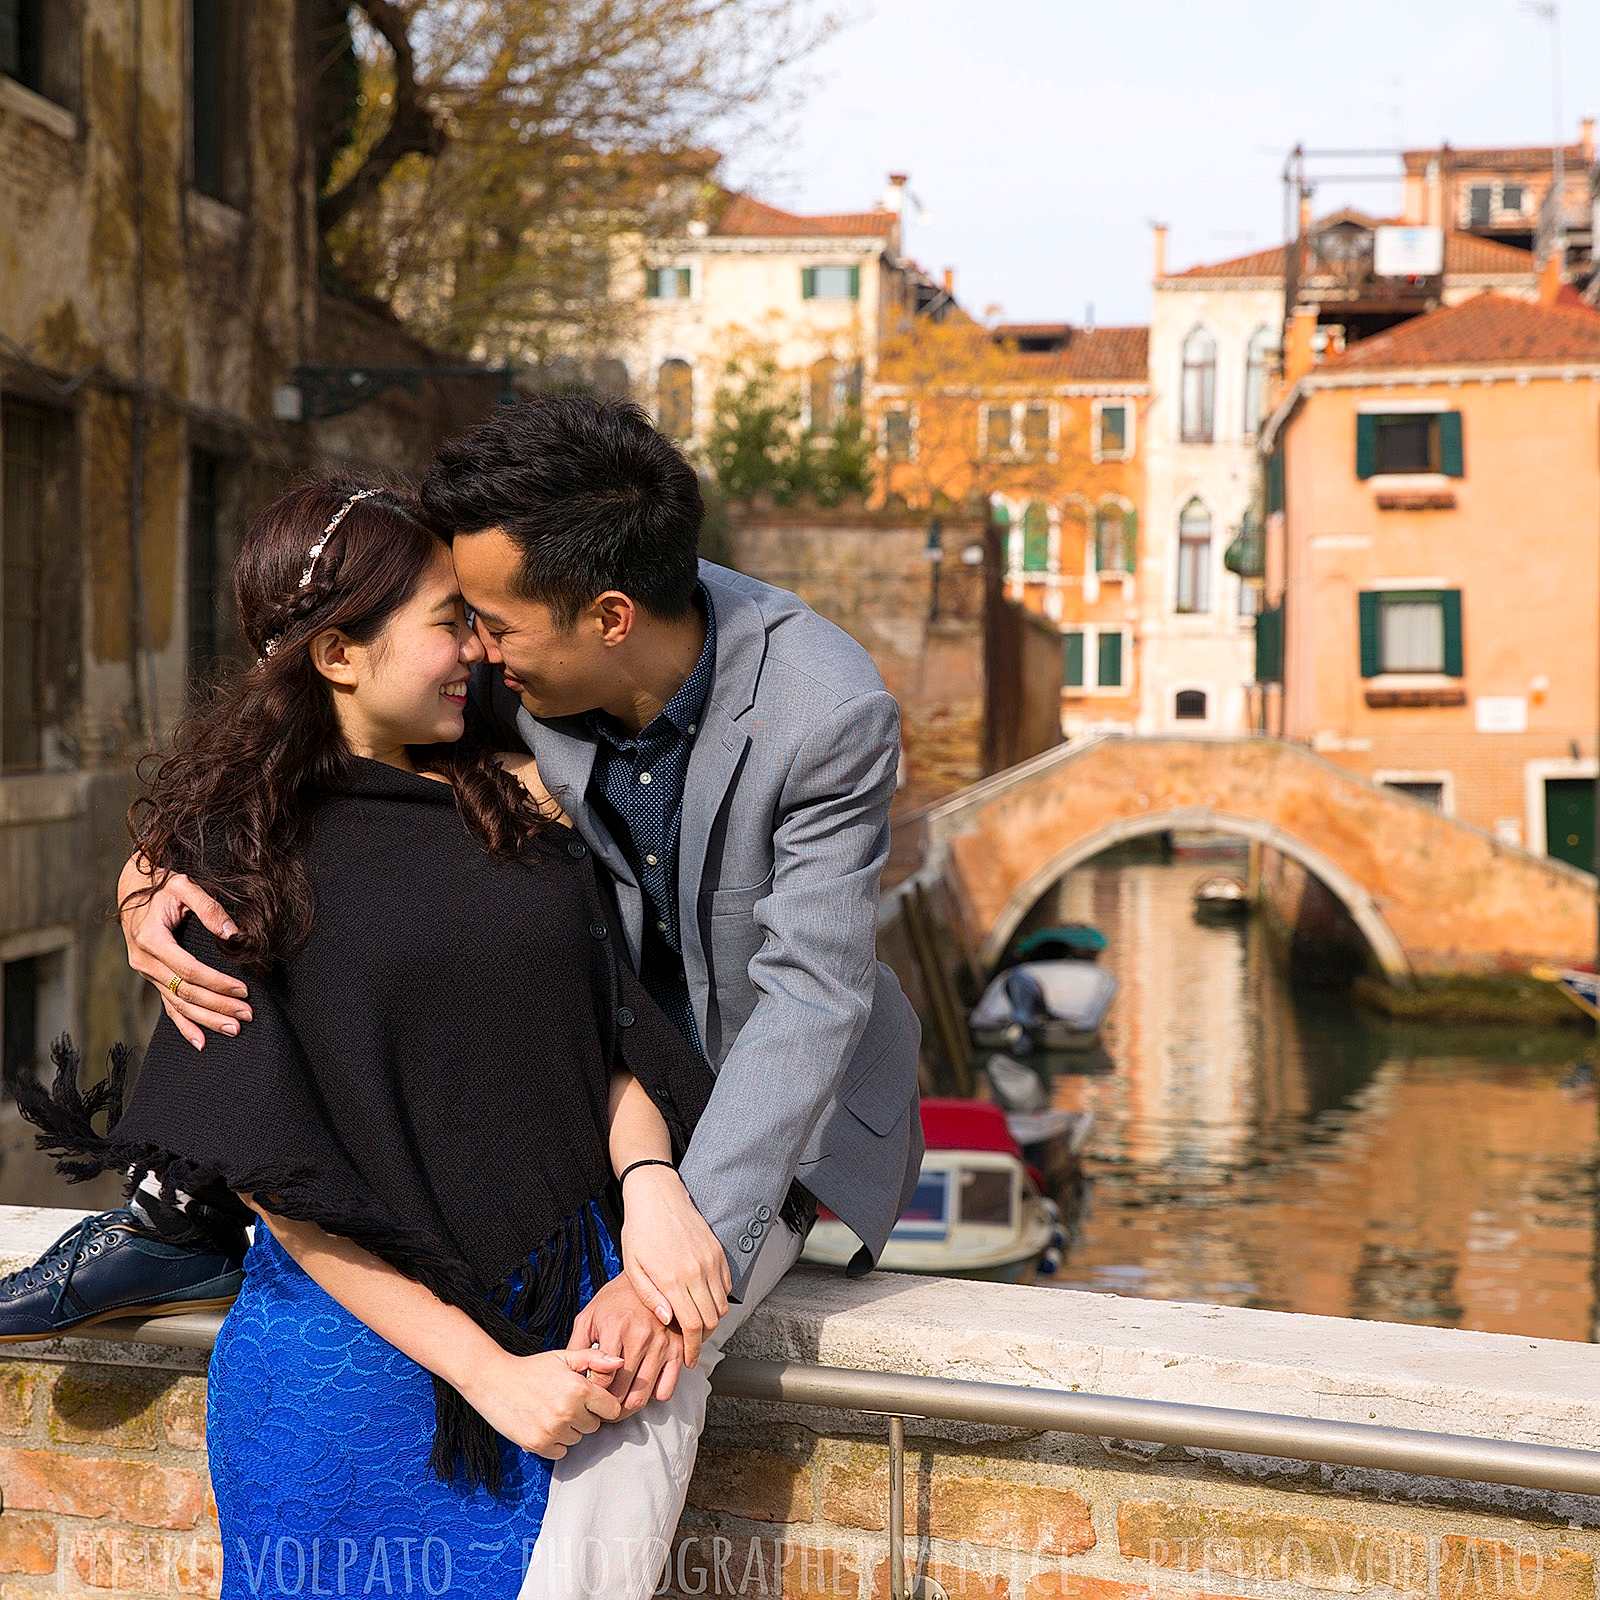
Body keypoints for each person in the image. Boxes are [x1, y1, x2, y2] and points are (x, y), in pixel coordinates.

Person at [59, 394, 924, 1599]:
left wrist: (678, 1217)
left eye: (492, 624)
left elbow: (808, 1002)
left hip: (765, 1096)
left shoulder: (823, 711)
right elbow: (299, 733)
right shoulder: (517, 653)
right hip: (593, 1095)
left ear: (608, 622)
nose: (477, 647)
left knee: (648, 1358)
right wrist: (149, 874)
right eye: (457, 620)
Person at [11, 478, 728, 1596]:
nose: (480, 651)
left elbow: (611, 1035)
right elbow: (281, 1184)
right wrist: (492, 1376)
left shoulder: (526, 797)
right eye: (450, 621)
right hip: (348, 1384)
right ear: (339, 653)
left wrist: (649, 1181)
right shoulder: (237, 860)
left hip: (574, 1340)